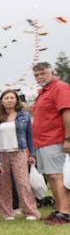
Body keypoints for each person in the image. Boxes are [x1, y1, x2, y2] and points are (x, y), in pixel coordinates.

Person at [0, 88, 40, 220]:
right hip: (1, 154)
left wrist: (32, 154)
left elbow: (30, 136)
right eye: (6, 98)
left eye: (12, 97)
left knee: (22, 182)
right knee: (2, 184)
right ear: (1, 101)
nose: (9, 100)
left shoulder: (24, 116)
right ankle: (7, 213)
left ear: (16, 100)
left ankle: (30, 212)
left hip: (19, 152)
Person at [30, 60, 70, 224]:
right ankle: (59, 208)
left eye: (43, 73)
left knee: (57, 176)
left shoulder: (59, 87)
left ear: (51, 72)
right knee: (51, 176)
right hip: (43, 141)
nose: (39, 77)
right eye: (36, 75)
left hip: (56, 139)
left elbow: (67, 112)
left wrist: (68, 138)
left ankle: (64, 212)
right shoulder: (44, 91)